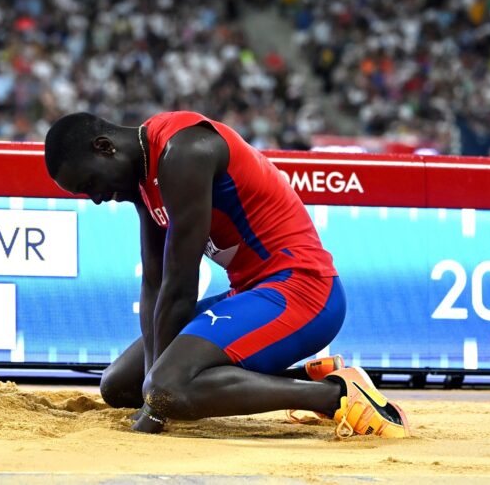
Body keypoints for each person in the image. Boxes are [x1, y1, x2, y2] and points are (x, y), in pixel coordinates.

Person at [44, 110, 409, 438]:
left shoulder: (185, 150)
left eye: (90, 184)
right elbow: (154, 283)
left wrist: (156, 401)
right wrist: (149, 392)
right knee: (120, 385)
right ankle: (309, 376)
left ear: (105, 147)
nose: (95, 198)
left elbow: (180, 287)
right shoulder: (141, 178)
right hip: (253, 292)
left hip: (304, 291)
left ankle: (336, 396)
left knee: (167, 387)